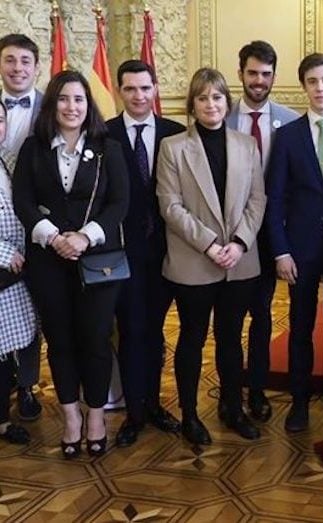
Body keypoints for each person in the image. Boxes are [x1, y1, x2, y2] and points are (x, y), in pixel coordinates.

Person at [12, 70, 130, 458]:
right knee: (60, 341)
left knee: (95, 340)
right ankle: (71, 419)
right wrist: (53, 236)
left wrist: (84, 236)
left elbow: (119, 204)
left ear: (88, 105)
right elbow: (24, 202)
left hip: (98, 261)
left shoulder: (107, 148)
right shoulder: (33, 149)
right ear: (52, 104)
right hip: (49, 262)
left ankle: (95, 416)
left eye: (78, 99)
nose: (71, 107)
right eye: (63, 99)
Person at [155, 67, 266, 445]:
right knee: (192, 338)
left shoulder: (246, 145)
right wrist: (209, 244)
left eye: (217, 97)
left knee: (232, 339)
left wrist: (238, 243)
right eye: (202, 98)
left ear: (226, 102)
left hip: (239, 261)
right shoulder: (173, 147)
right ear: (193, 105)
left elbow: (257, 200)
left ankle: (232, 409)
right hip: (193, 261)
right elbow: (170, 206)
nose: (210, 104)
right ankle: (189, 416)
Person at [267, 53, 323, 433]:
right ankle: (299, 402)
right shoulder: (287, 136)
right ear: (303, 86)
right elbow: (275, 198)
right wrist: (281, 250)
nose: (319, 88)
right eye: (312, 81)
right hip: (299, 252)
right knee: (300, 327)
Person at [106, 60, 185, 448]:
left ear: (155, 89)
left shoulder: (176, 133)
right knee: (132, 331)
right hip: (123, 254)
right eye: (130, 89)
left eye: (145, 88)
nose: (139, 96)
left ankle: (153, 403)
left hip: (169, 253)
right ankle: (134, 412)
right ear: (120, 91)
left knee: (155, 331)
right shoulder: (104, 135)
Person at [224, 41, 299, 423]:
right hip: (229, 236)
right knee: (229, 319)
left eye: (266, 74)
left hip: (270, 236)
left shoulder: (290, 121)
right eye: (252, 73)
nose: (259, 81)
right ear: (240, 74)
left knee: (262, 315)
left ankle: (256, 390)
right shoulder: (221, 116)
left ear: (274, 76)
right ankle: (230, 392)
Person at [0, 33, 43, 421]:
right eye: (10, 60)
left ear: (36, 66)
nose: (17, 68)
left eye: (24, 61)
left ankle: (28, 385)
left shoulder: (55, 108)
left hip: (40, 235)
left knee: (33, 317)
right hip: (2, 238)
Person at [0, 100, 36, 445]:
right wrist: (5, 251)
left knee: (5, 350)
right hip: (4, 261)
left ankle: (2, 419)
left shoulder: (8, 161)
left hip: (15, 273)